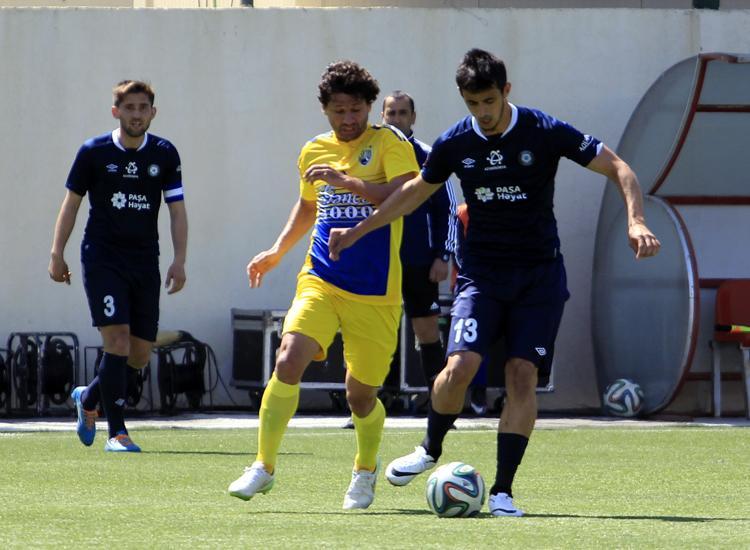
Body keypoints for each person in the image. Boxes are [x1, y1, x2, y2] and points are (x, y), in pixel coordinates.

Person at [328, 48, 661, 517]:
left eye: (488, 101)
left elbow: (619, 167)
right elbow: (412, 194)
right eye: (472, 104)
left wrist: (636, 220)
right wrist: (357, 231)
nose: (482, 113)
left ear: (506, 91)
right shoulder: (455, 142)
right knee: (458, 367)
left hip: (539, 278)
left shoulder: (544, 130)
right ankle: (430, 447)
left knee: (521, 376)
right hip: (482, 276)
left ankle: (503, 491)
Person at [227, 61, 419, 510]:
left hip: (375, 291)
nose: (348, 119)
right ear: (325, 110)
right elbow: (308, 205)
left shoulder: (389, 143)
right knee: (288, 359)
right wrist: (277, 250)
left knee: (360, 395)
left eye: (355, 110)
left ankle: (365, 469)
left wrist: (347, 181)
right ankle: (263, 466)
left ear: (370, 107)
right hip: (321, 278)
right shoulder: (313, 150)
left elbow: (407, 193)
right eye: (338, 111)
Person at [49, 80, 187, 453]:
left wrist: (179, 260)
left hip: (145, 261)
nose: (136, 114)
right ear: (116, 112)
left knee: (139, 354)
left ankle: (88, 397)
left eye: (143, 108)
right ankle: (118, 433)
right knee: (118, 342)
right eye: (129, 108)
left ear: (153, 113)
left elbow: (176, 210)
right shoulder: (93, 152)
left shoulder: (164, 153)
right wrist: (57, 252)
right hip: (103, 258)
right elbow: (71, 203)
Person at [382, 91, 457, 401]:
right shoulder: (369, 156)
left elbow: (448, 209)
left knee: (426, 330)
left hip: (419, 260)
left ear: (413, 117)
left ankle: (439, 403)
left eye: (403, 113)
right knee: (377, 332)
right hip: (379, 261)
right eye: (391, 113)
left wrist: (442, 255)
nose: (396, 119)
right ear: (382, 117)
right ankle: (375, 403)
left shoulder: (429, 156)